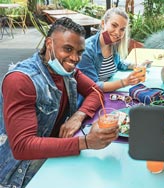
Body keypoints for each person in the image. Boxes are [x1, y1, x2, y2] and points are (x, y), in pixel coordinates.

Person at [0, 17, 119, 188]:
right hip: (19, 172)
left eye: (79, 52)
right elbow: (22, 147)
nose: (75, 58)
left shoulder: (68, 70)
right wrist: (86, 142)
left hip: (57, 150)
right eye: (68, 49)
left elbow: (95, 91)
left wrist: (78, 116)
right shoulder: (21, 80)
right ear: (49, 43)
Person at [76, 8, 149, 105]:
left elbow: (119, 63)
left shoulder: (112, 44)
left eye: (122, 29)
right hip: (91, 100)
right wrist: (125, 82)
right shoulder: (87, 50)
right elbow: (94, 86)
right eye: (114, 25)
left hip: (111, 95)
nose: (118, 33)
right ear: (103, 24)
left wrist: (138, 65)